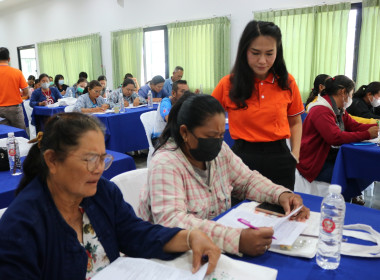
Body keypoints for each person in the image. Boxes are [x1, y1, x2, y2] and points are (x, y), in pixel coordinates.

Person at [0, 112, 220, 279]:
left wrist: (190, 237)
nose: (99, 169)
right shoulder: (21, 225)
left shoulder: (101, 193)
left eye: (103, 158)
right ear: (52, 161)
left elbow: (136, 234)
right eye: (89, 159)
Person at [138, 93, 310, 257]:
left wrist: (280, 195)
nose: (218, 143)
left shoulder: (220, 152)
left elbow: (247, 181)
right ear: (184, 133)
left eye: (221, 135)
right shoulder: (166, 163)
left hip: (213, 250)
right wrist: (236, 240)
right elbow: (172, 223)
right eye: (211, 136)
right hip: (173, 257)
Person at [212, 20, 304, 191]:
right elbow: (207, 119)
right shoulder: (228, 84)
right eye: (255, 53)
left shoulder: (287, 82)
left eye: (269, 53)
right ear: (244, 51)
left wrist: (295, 155)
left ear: (278, 52)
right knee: (240, 213)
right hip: (242, 159)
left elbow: (295, 122)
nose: (262, 61)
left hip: (280, 158)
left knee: (280, 212)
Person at [297, 75, 378, 204]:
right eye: (351, 94)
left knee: (361, 167)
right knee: (356, 172)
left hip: (330, 157)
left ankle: (346, 200)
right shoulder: (321, 110)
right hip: (315, 163)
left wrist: (376, 127)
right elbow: (334, 137)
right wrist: (367, 134)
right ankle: (342, 203)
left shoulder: (338, 109)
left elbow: (354, 126)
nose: (351, 98)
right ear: (342, 92)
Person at [151, 80, 189, 145]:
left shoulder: (182, 103)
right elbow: (168, 119)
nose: (186, 95)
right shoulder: (166, 102)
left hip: (173, 136)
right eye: (182, 92)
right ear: (173, 93)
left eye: (187, 92)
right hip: (160, 138)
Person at [0, 47, 28, 129]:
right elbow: (26, 91)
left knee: (3, 135)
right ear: (9, 59)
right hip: (15, 109)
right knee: (20, 133)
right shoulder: (17, 72)